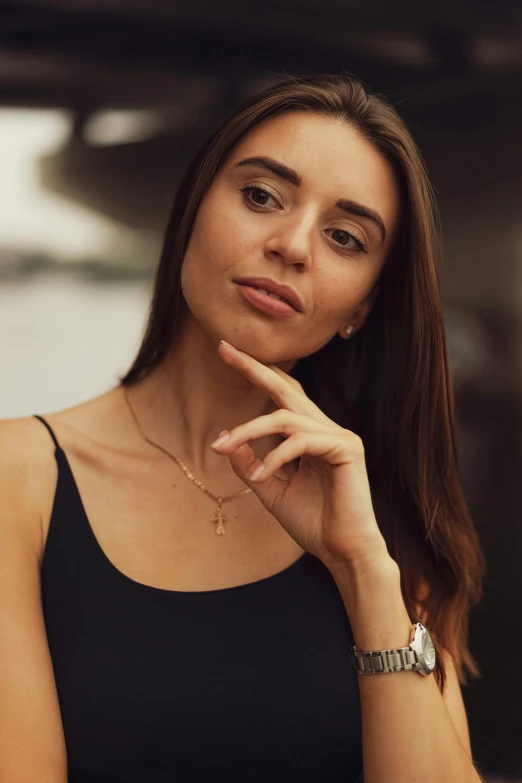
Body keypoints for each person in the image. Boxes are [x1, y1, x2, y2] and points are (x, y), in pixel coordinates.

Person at [0, 73, 486, 782]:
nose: (293, 245)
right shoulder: (21, 478)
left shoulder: (379, 518)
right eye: (262, 196)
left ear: (362, 308)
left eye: (345, 236)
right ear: (193, 210)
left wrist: (364, 574)